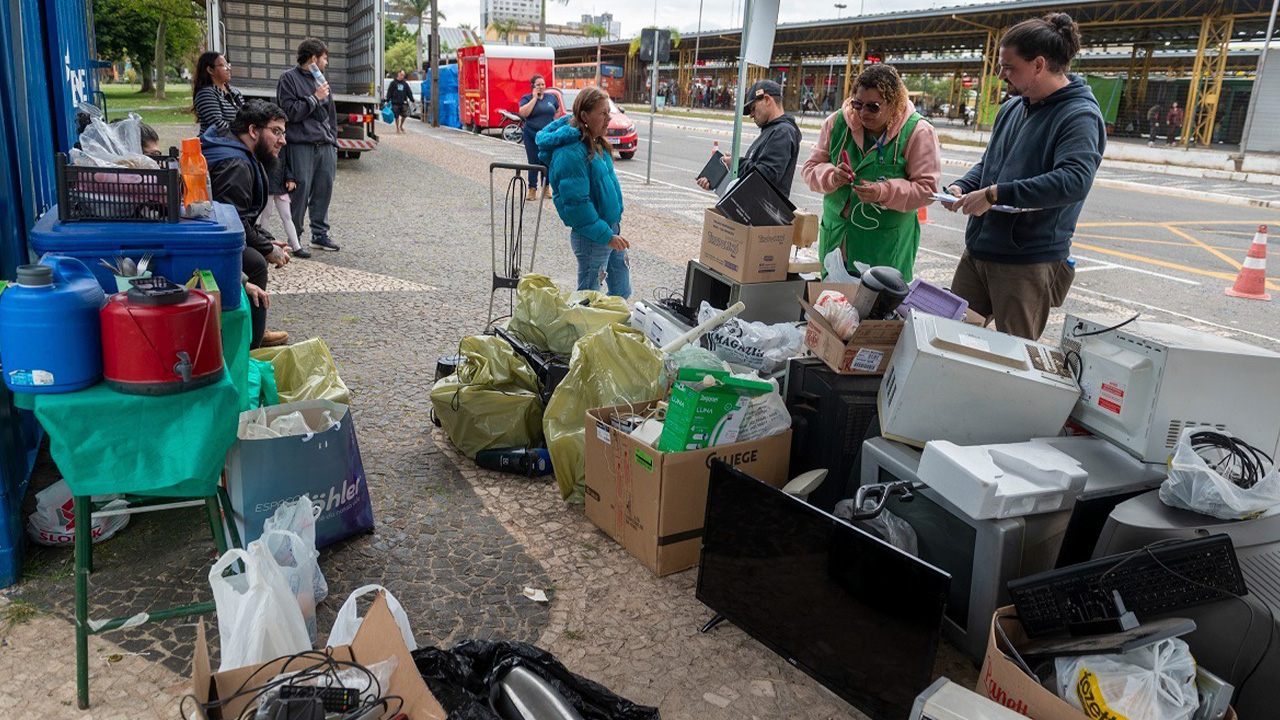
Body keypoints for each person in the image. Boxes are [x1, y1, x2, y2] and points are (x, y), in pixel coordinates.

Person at [941, 13, 1105, 340]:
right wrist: (965, 185)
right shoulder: (1013, 108)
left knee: (1014, 356)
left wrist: (994, 194)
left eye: (1009, 66)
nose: (1001, 74)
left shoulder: (1079, 115)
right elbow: (990, 164)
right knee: (948, 337)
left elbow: (1074, 180)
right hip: (979, 251)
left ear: (1039, 65)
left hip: (1027, 262)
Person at [801, 64, 941, 281]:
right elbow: (810, 168)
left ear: (894, 104)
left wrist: (884, 191)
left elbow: (926, 190)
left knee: (876, 309)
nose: (863, 113)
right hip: (837, 239)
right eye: (858, 104)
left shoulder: (918, 131)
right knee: (832, 306)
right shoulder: (837, 123)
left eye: (873, 107)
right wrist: (831, 176)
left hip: (884, 248)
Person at [201, 100, 293, 348]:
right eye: (276, 131)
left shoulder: (233, 146)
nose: (282, 140)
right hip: (206, 238)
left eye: (283, 133)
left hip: (211, 228)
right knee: (254, 261)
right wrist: (267, 249)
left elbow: (242, 216)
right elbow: (234, 223)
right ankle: (251, 340)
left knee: (256, 253)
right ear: (253, 131)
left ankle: (254, 327)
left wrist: (266, 239)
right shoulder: (237, 164)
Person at [537, 86, 630, 298]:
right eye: (603, 113)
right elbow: (577, 207)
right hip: (593, 237)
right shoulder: (570, 152)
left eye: (609, 112)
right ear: (585, 116)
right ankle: (585, 329)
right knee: (588, 298)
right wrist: (607, 236)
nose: (609, 119)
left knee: (622, 291)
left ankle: (606, 326)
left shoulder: (596, 141)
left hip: (609, 230)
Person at [276, 37, 341, 252]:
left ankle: (320, 234)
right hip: (300, 145)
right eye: (324, 58)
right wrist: (314, 98)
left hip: (324, 145)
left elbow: (330, 114)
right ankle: (295, 238)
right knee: (300, 189)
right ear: (313, 58)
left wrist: (332, 139)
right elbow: (288, 112)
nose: (326, 63)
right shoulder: (288, 79)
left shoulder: (320, 79)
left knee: (324, 188)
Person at [697, 79, 802, 199]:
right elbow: (751, 176)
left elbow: (766, 175)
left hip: (763, 215)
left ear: (767, 100)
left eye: (753, 108)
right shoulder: (771, 130)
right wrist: (717, 179)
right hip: (753, 208)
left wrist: (736, 163)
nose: (751, 115)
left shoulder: (782, 132)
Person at [517, 74, 561, 200]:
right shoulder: (526, 98)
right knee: (533, 162)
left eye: (542, 84)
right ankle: (532, 189)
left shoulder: (551, 98)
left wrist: (553, 122)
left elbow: (557, 110)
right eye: (538, 85)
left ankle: (546, 187)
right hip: (531, 134)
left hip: (546, 136)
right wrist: (535, 98)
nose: (541, 87)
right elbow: (523, 113)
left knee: (546, 161)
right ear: (533, 86)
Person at [192, 51, 245, 135]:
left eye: (228, 64)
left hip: (236, 142)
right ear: (210, 70)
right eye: (223, 65)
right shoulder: (206, 94)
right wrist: (245, 134)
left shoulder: (234, 91)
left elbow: (246, 115)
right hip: (216, 144)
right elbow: (219, 125)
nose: (228, 68)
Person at [386, 70, 415, 134]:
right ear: (398, 74)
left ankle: (401, 125)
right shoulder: (393, 83)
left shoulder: (405, 84)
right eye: (401, 75)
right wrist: (387, 100)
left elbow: (409, 92)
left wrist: (412, 100)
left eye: (403, 75)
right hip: (395, 102)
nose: (402, 77)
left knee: (405, 114)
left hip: (403, 102)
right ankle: (397, 128)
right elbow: (389, 92)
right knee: (396, 115)